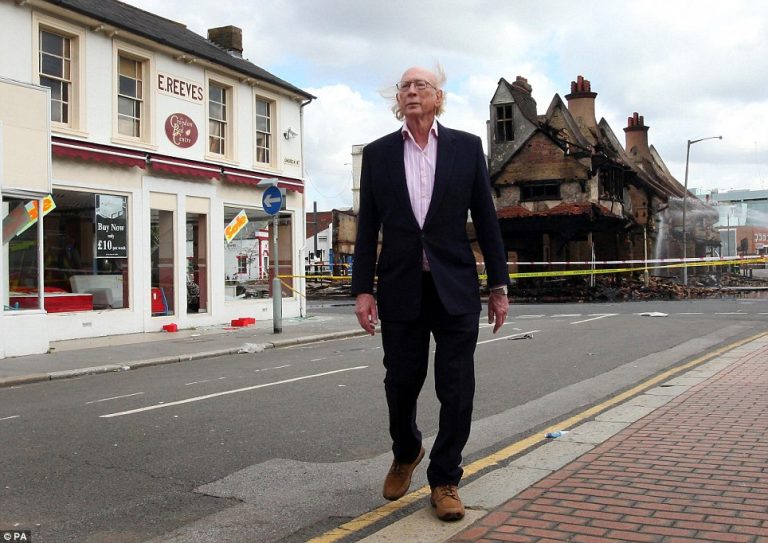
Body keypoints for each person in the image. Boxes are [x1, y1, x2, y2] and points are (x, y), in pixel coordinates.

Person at [351, 65, 509, 521]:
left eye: (421, 85)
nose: (412, 91)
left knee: (456, 387)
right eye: (405, 86)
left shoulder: (466, 148)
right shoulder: (379, 154)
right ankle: (407, 450)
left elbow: (486, 219)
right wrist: (363, 290)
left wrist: (498, 286)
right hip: (401, 287)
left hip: (454, 287)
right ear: (397, 101)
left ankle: (445, 480)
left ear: (439, 97)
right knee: (400, 383)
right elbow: (367, 230)